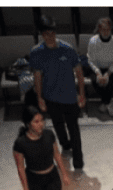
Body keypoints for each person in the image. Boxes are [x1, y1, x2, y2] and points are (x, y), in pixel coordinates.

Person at [30, 15, 86, 171]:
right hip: (50, 97)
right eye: (46, 34)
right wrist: (39, 97)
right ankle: (65, 146)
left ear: (55, 33)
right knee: (58, 126)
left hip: (69, 97)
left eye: (52, 33)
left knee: (74, 129)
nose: (50, 37)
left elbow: (79, 72)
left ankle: (79, 163)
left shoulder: (67, 49)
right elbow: (37, 76)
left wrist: (81, 93)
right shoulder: (37, 52)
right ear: (42, 35)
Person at [86, 17, 113, 117]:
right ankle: (109, 103)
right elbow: (91, 60)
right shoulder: (93, 41)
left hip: (112, 69)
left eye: (108, 29)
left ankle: (105, 102)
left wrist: (107, 74)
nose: (105, 32)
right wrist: (98, 73)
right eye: (103, 29)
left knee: (109, 83)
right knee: (96, 81)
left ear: (111, 29)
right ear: (99, 29)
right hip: (97, 68)